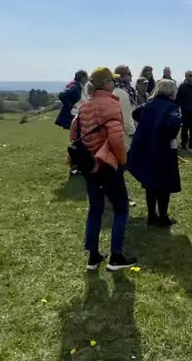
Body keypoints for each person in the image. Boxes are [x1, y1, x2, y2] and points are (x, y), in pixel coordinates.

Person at [70, 67, 137, 271]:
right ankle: (116, 257)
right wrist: (122, 161)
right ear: (106, 83)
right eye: (112, 81)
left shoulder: (85, 105)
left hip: (89, 165)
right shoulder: (111, 104)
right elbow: (116, 138)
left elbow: (74, 132)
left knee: (95, 210)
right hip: (108, 164)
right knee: (121, 209)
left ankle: (93, 257)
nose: (114, 84)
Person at [128, 79, 183, 227]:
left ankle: (152, 216)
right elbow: (173, 126)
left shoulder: (149, 103)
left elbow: (135, 113)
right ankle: (163, 217)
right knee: (164, 184)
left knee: (150, 182)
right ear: (172, 91)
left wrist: (149, 124)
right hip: (163, 149)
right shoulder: (172, 107)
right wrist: (165, 133)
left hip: (146, 146)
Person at [112, 65, 139, 147]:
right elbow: (126, 115)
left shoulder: (123, 90)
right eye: (129, 74)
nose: (131, 76)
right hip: (127, 136)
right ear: (122, 76)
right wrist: (133, 133)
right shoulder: (122, 93)